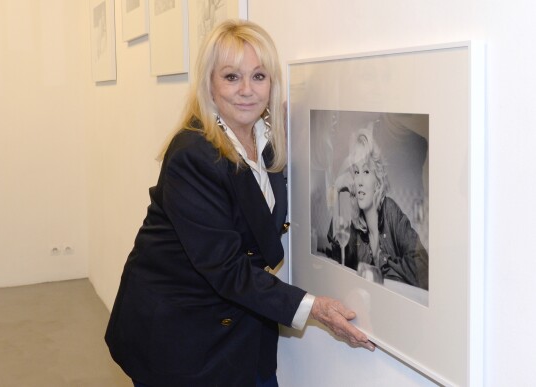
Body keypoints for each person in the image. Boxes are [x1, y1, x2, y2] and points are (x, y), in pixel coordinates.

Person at [104, 19, 374, 387]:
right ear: (210, 85)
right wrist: (315, 308)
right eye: (232, 77)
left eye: (259, 76)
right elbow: (226, 268)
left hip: (242, 324)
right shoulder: (192, 155)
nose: (247, 90)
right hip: (178, 335)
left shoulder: (268, 139)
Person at [340, 128, 429, 290]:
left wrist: (382, 261)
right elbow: (339, 266)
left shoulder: (390, 211)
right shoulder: (354, 226)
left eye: (366, 171)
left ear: (377, 179)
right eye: (356, 172)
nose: (359, 180)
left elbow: (423, 266)